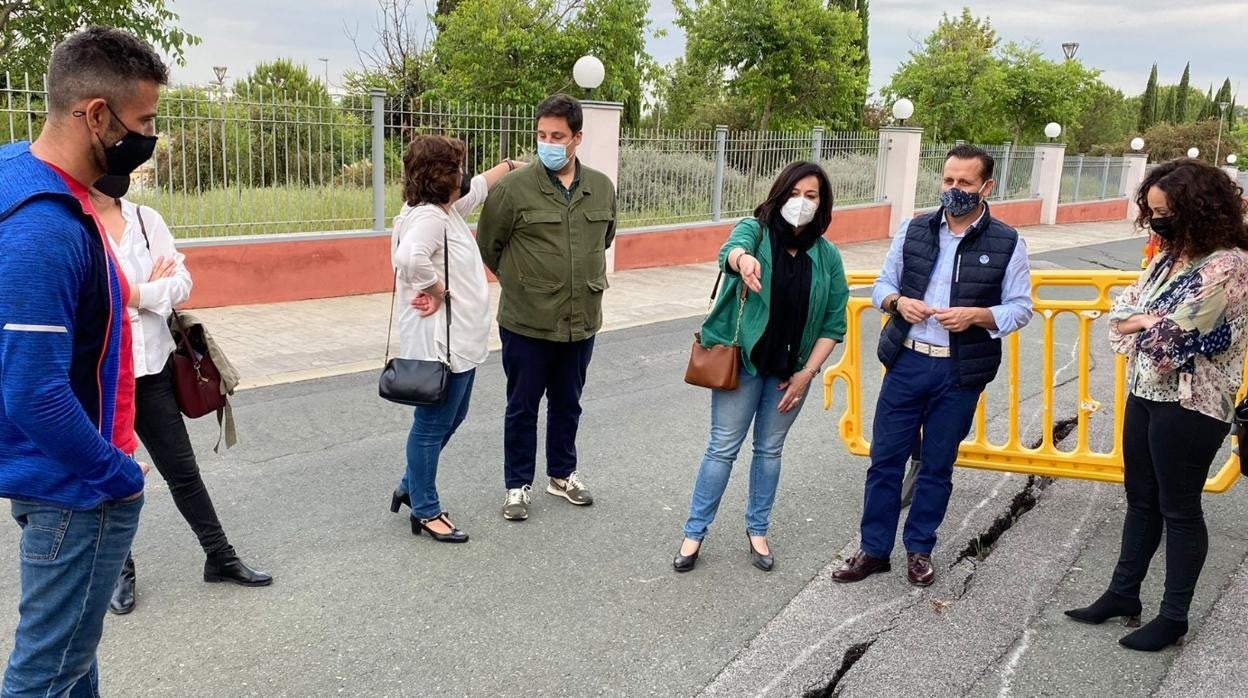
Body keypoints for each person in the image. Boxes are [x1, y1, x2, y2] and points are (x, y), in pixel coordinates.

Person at [0, 27, 165, 696]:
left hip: (60, 478)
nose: (150, 136)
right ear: (96, 114)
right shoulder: (43, 227)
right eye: (144, 120)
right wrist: (117, 476)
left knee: (73, 653)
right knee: (44, 674)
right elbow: (33, 392)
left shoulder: (20, 170)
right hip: (75, 489)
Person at [1065, 158, 1248, 652]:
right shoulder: (1170, 257)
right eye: (1150, 213)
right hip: (1146, 393)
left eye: (1164, 212)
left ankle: (1174, 616)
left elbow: (1167, 344)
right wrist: (1143, 321)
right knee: (1140, 499)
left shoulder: (1228, 264)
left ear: (1198, 210)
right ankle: (1123, 594)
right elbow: (1120, 316)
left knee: (1180, 509)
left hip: (1193, 404)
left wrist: (1145, 323)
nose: (1155, 222)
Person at [833, 144, 1033, 588]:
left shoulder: (1008, 242)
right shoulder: (913, 230)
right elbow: (881, 285)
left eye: (964, 182)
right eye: (948, 180)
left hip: (959, 373)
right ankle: (873, 550)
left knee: (937, 465)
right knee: (885, 460)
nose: (954, 189)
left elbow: (1021, 308)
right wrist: (897, 301)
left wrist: (977, 316)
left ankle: (919, 549)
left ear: (986, 187)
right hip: (907, 362)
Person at [86, 189, 272, 615]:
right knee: (112, 478)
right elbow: (88, 297)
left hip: (153, 370)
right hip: (99, 377)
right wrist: (151, 288)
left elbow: (181, 284)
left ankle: (219, 556)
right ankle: (119, 569)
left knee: (183, 472)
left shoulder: (147, 220)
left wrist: (132, 293)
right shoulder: (74, 220)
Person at [672, 162, 849, 573]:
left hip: (790, 373)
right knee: (722, 449)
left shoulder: (827, 256)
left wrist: (806, 376)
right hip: (744, 364)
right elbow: (729, 250)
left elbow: (833, 323)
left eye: (811, 196)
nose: (800, 203)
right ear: (779, 193)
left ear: (822, 205)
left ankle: (758, 530)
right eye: (793, 193)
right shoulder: (755, 230)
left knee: (769, 451)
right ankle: (694, 533)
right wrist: (742, 261)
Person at [476, 94, 617, 522]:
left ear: (577, 138)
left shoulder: (601, 188)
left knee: (568, 402)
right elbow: (489, 246)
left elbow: (605, 239)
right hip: (526, 321)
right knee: (522, 406)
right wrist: (526, 283)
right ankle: (517, 485)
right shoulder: (513, 189)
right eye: (541, 135)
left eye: (557, 135)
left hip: (581, 319)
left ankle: (562, 475)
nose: (548, 142)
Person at [388, 135, 528, 541]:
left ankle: (411, 484)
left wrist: (514, 166)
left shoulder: (444, 210)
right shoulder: (429, 218)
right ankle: (426, 509)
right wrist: (437, 290)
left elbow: (480, 187)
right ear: (440, 176)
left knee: (453, 417)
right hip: (441, 344)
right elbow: (409, 259)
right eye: (457, 168)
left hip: (461, 340)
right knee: (431, 426)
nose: (464, 175)